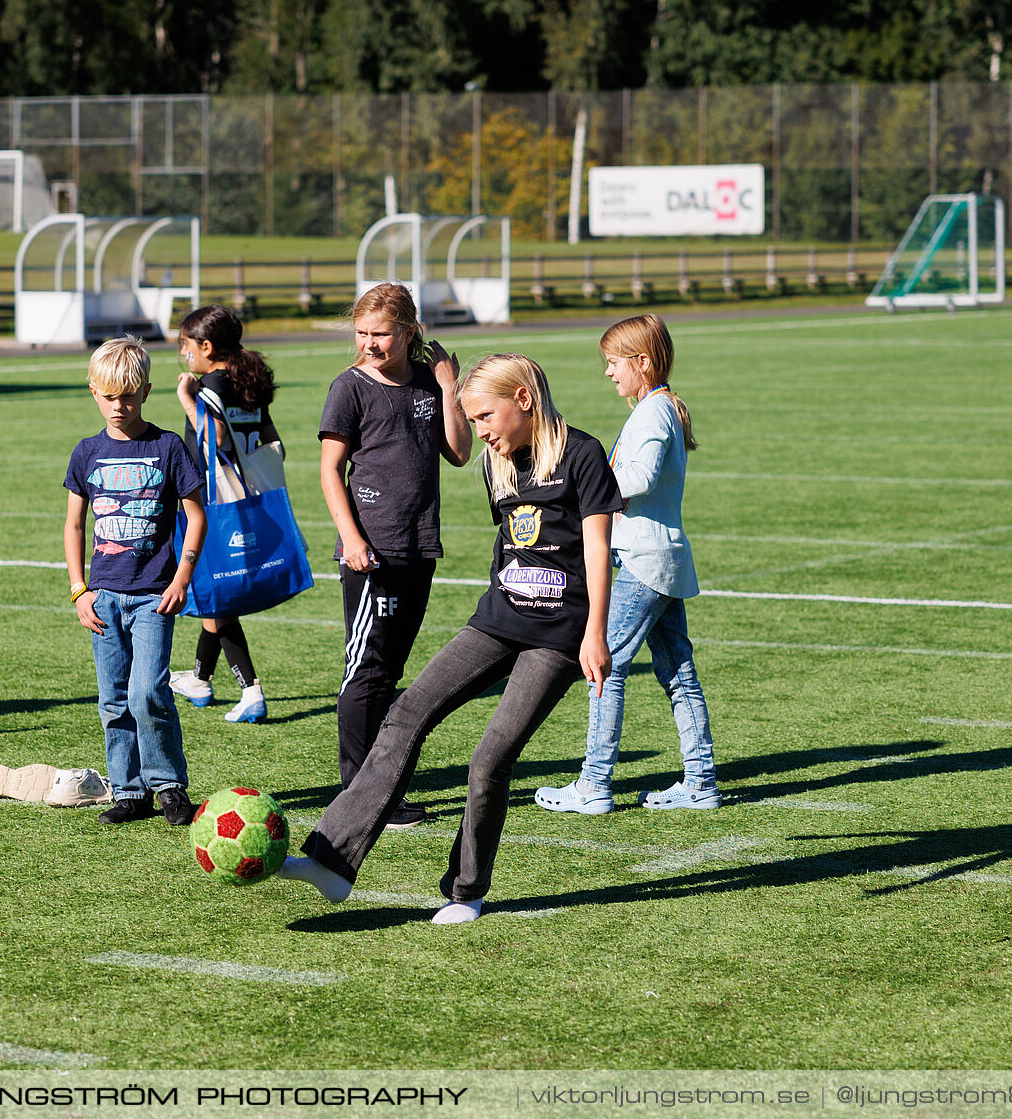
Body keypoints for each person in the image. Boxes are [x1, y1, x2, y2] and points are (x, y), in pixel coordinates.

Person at [279, 354, 621, 923]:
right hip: (497, 619)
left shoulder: (583, 455)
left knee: (491, 759)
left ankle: (466, 891)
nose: (480, 430)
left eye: (486, 415)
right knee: (406, 714)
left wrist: (595, 635)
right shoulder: (498, 461)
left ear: (525, 400)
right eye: (474, 418)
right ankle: (331, 861)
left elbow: (596, 551)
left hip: (560, 635)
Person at [537, 314, 717, 814]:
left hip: (645, 561)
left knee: (602, 666)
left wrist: (588, 480)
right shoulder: (658, 409)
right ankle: (700, 782)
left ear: (642, 363)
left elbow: (640, 477)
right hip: (660, 557)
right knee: (679, 673)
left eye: (615, 364)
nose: (609, 373)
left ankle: (593, 784)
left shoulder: (655, 413)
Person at [318, 284, 472, 828]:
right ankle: (359, 794)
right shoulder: (350, 387)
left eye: (380, 334)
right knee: (366, 673)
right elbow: (329, 471)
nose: (369, 344)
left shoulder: (430, 384)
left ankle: (380, 788)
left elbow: (459, 452)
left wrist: (450, 385)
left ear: (408, 331)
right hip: (372, 553)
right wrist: (353, 539)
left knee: (391, 672)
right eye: (362, 334)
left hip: (418, 545)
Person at [63, 337, 207, 826]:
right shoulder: (86, 453)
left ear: (145, 392)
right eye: (108, 396)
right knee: (112, 698)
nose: (118, 406)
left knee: (148, 690)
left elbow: (196, 514)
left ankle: (167, 785)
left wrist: (183, 575)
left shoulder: (167, 447)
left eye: (128, 396)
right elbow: (74, 526)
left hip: (153, 597)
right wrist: (80, 590)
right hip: (102, 598)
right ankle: (129, 791)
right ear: (93, 392)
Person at [171, 304, 282, 725]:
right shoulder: (245, 381)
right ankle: (200, 678)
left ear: (207, 346)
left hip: (216, 501)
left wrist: (186, 398)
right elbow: (271, 438)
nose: (184, 354)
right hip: (246, 496)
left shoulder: (210, 385)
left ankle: (251, 690)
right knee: (216, 593)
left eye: (186, 345)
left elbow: (214, 438)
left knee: (218, 596)